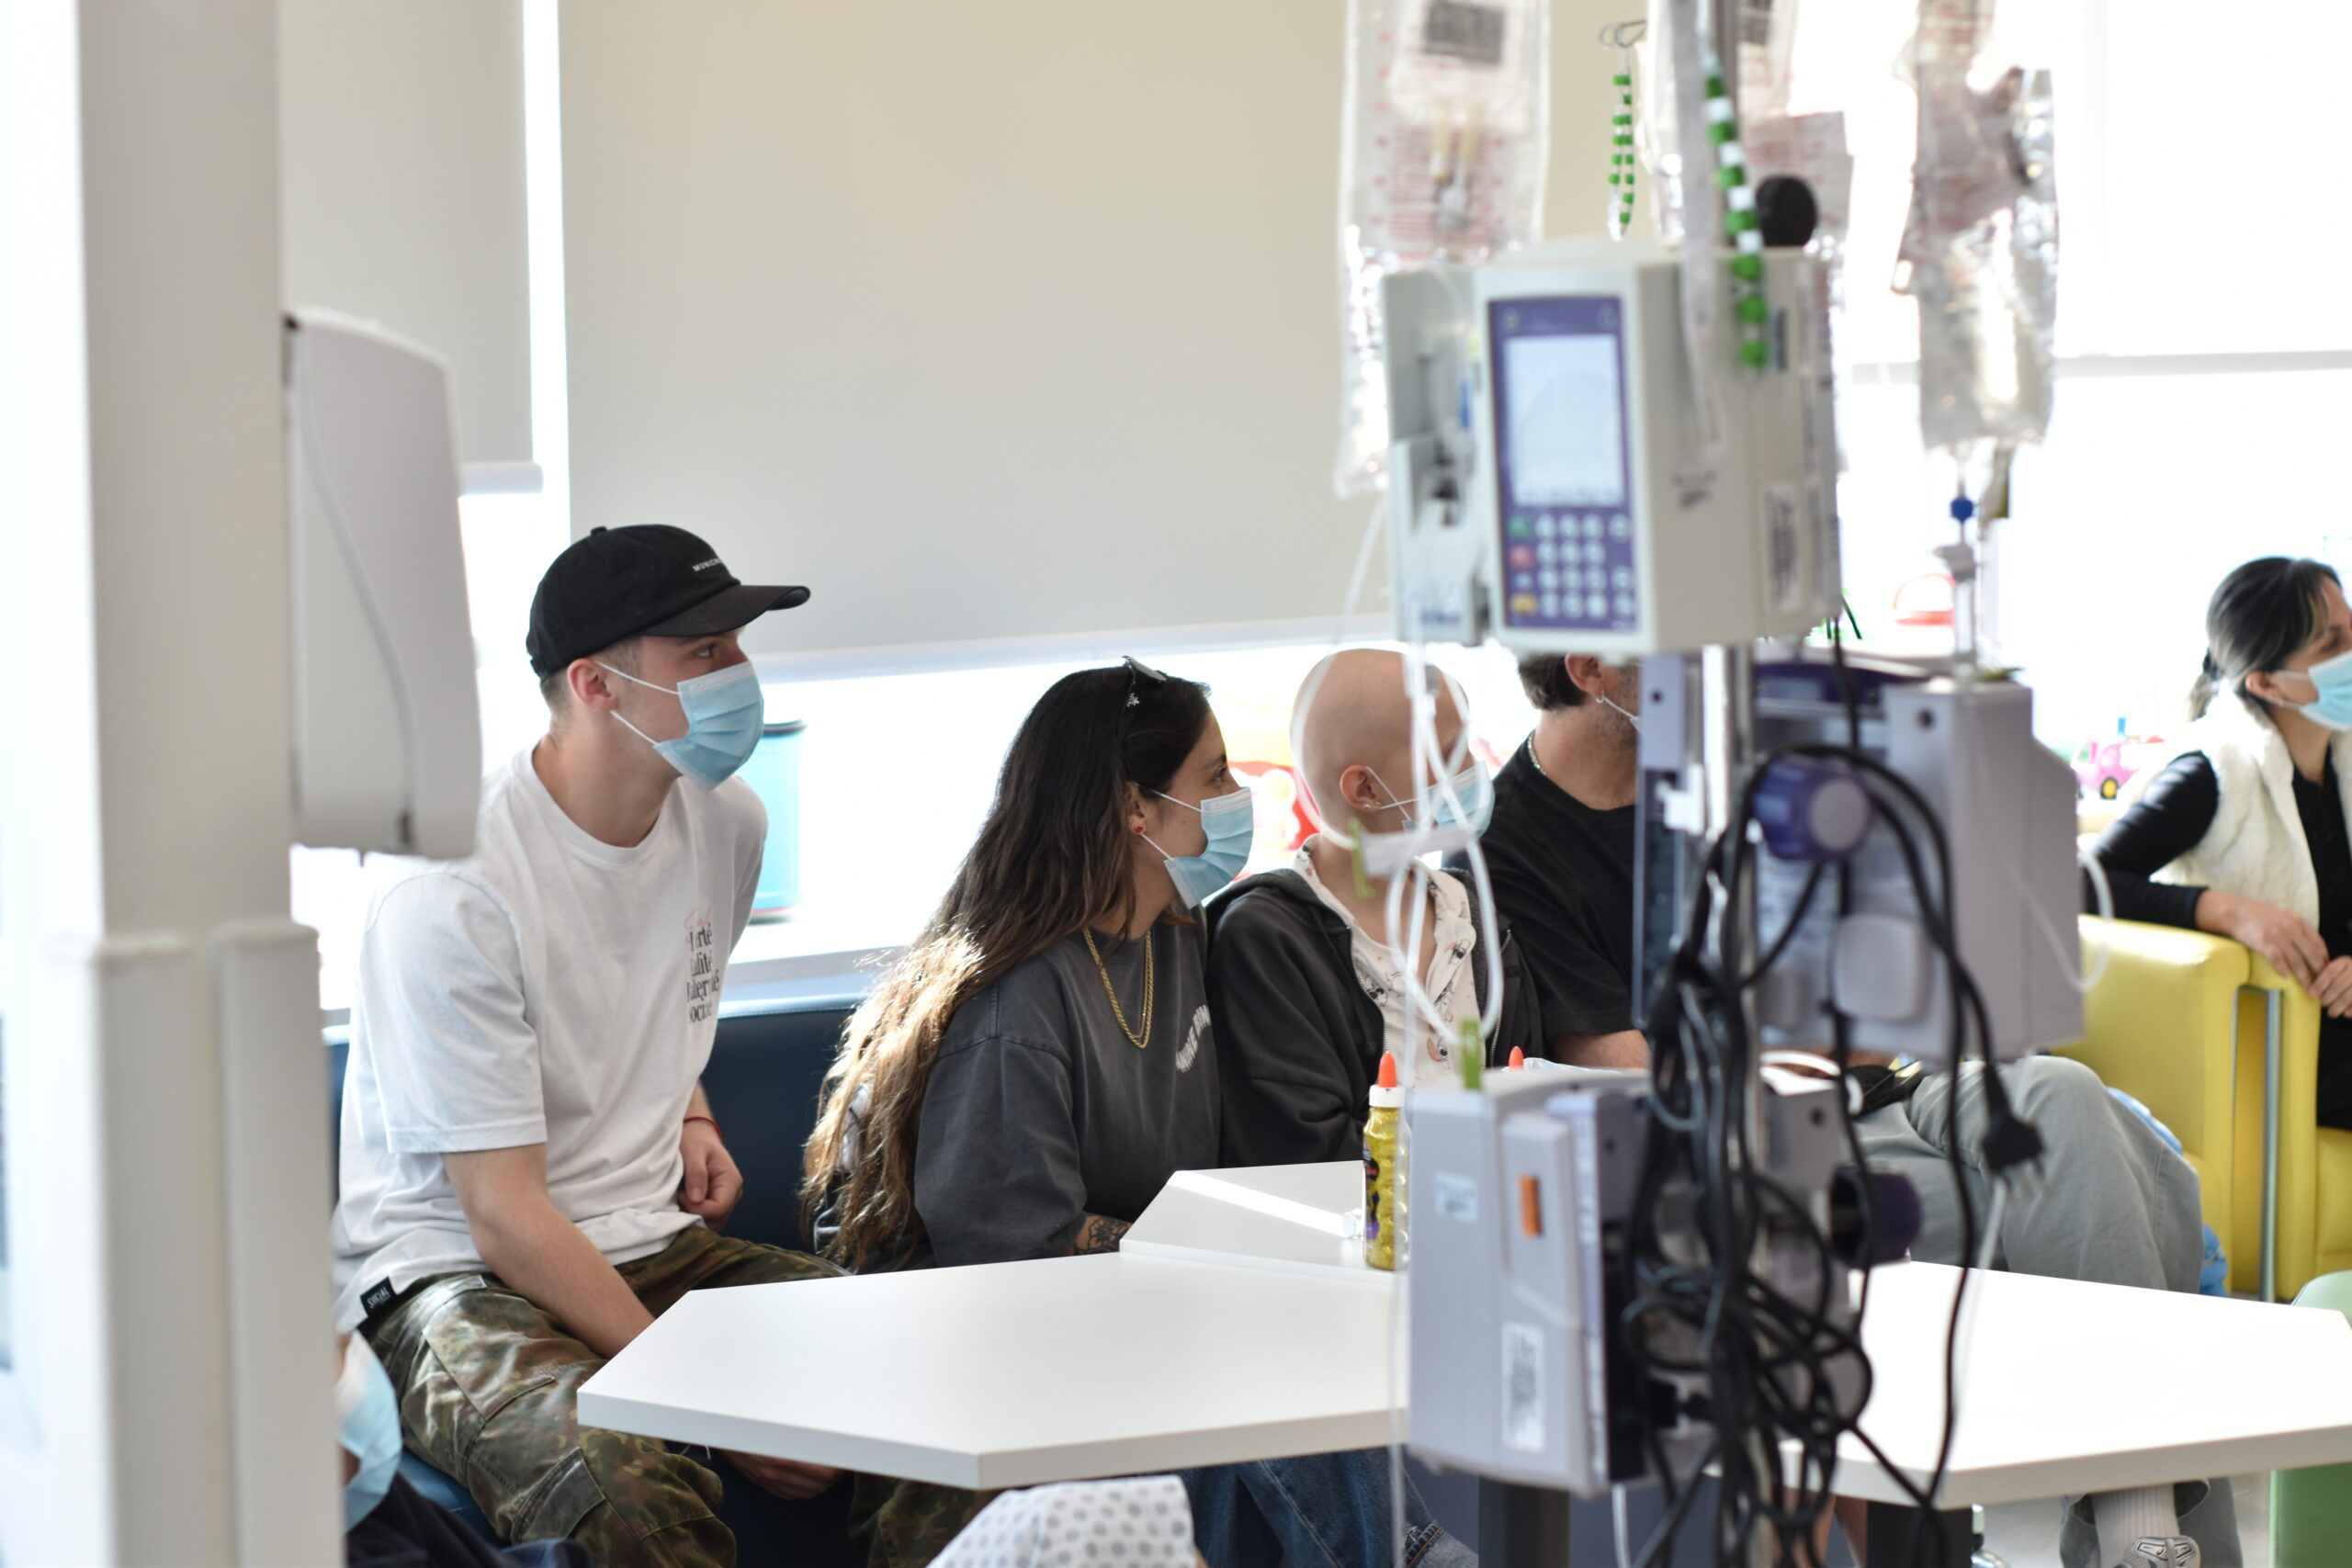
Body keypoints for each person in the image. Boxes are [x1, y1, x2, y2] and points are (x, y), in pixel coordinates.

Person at [1482, 651, 2233, 1568]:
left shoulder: (1729, 785)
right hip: (1765, 1142)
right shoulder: (1506, 847)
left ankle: (2136, 1524)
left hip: (1891, 1089)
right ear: (1591, 667)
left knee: (2064, 1095)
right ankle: (2143, 1533)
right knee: (2122, 1193)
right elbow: (1637, 1065)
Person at [333, 525, 959, 1566]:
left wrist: (689, 1108)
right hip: (455, 1277)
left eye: (738, 646)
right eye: (704, 651)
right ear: (595, 684)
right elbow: (503, 1215)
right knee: (615, 1483)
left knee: (938, 1376)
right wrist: (708, 1401)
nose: (739, 674)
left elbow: (653, 993)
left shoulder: (729, 823)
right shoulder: (453, 888)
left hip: (649, 1239)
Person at [804, 660, 1474, 1568]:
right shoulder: (1013, 1008)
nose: (1239, 797)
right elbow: (1015, 1254)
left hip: (1120, 1322)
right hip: (985, 1353)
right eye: (1215, 775)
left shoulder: (1173, 933)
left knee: (1267, 1352)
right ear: (1135, 809)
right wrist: (1212, 1264)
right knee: (1247, 1340)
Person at [1208, 649, 1543, 1167]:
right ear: (1365, 788)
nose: (1473, 770)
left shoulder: (1471, 916)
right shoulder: (1267, 939)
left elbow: (1528, 1094)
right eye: (1450, 755)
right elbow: (1305, 1146)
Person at [2089, 557, 2352, 1129]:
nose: (2351, 651)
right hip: (2281, 1044)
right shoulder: (2213, 772)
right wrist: (2228, 912)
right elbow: (2079, 881)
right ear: (2266, 683)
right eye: (2334, 644)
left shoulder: (2344, 759)